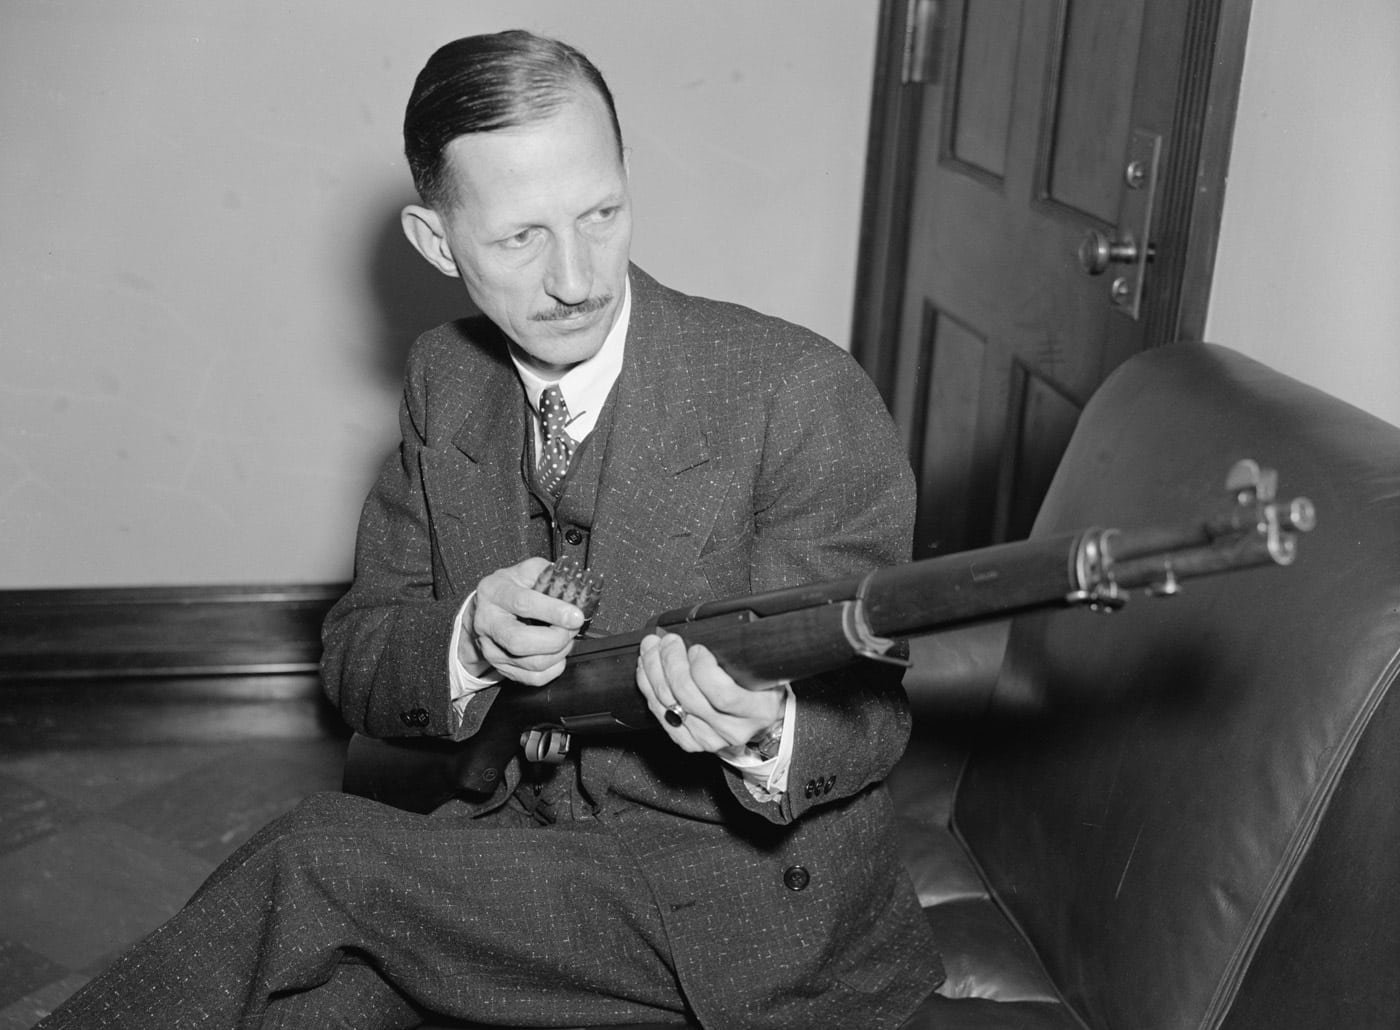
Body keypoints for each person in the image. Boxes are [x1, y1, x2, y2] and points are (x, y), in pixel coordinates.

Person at [36, 29, 941, 1029]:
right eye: (519, 238)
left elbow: (868, 711)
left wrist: (764, 731)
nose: (576, 276)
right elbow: (356, 652)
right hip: (517, 857)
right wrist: (464, 639)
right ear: (437, 242)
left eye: (602, 214)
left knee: (316, 856)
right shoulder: (445, 380)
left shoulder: (794, 391)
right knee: (299, 1003)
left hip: (739, 910)